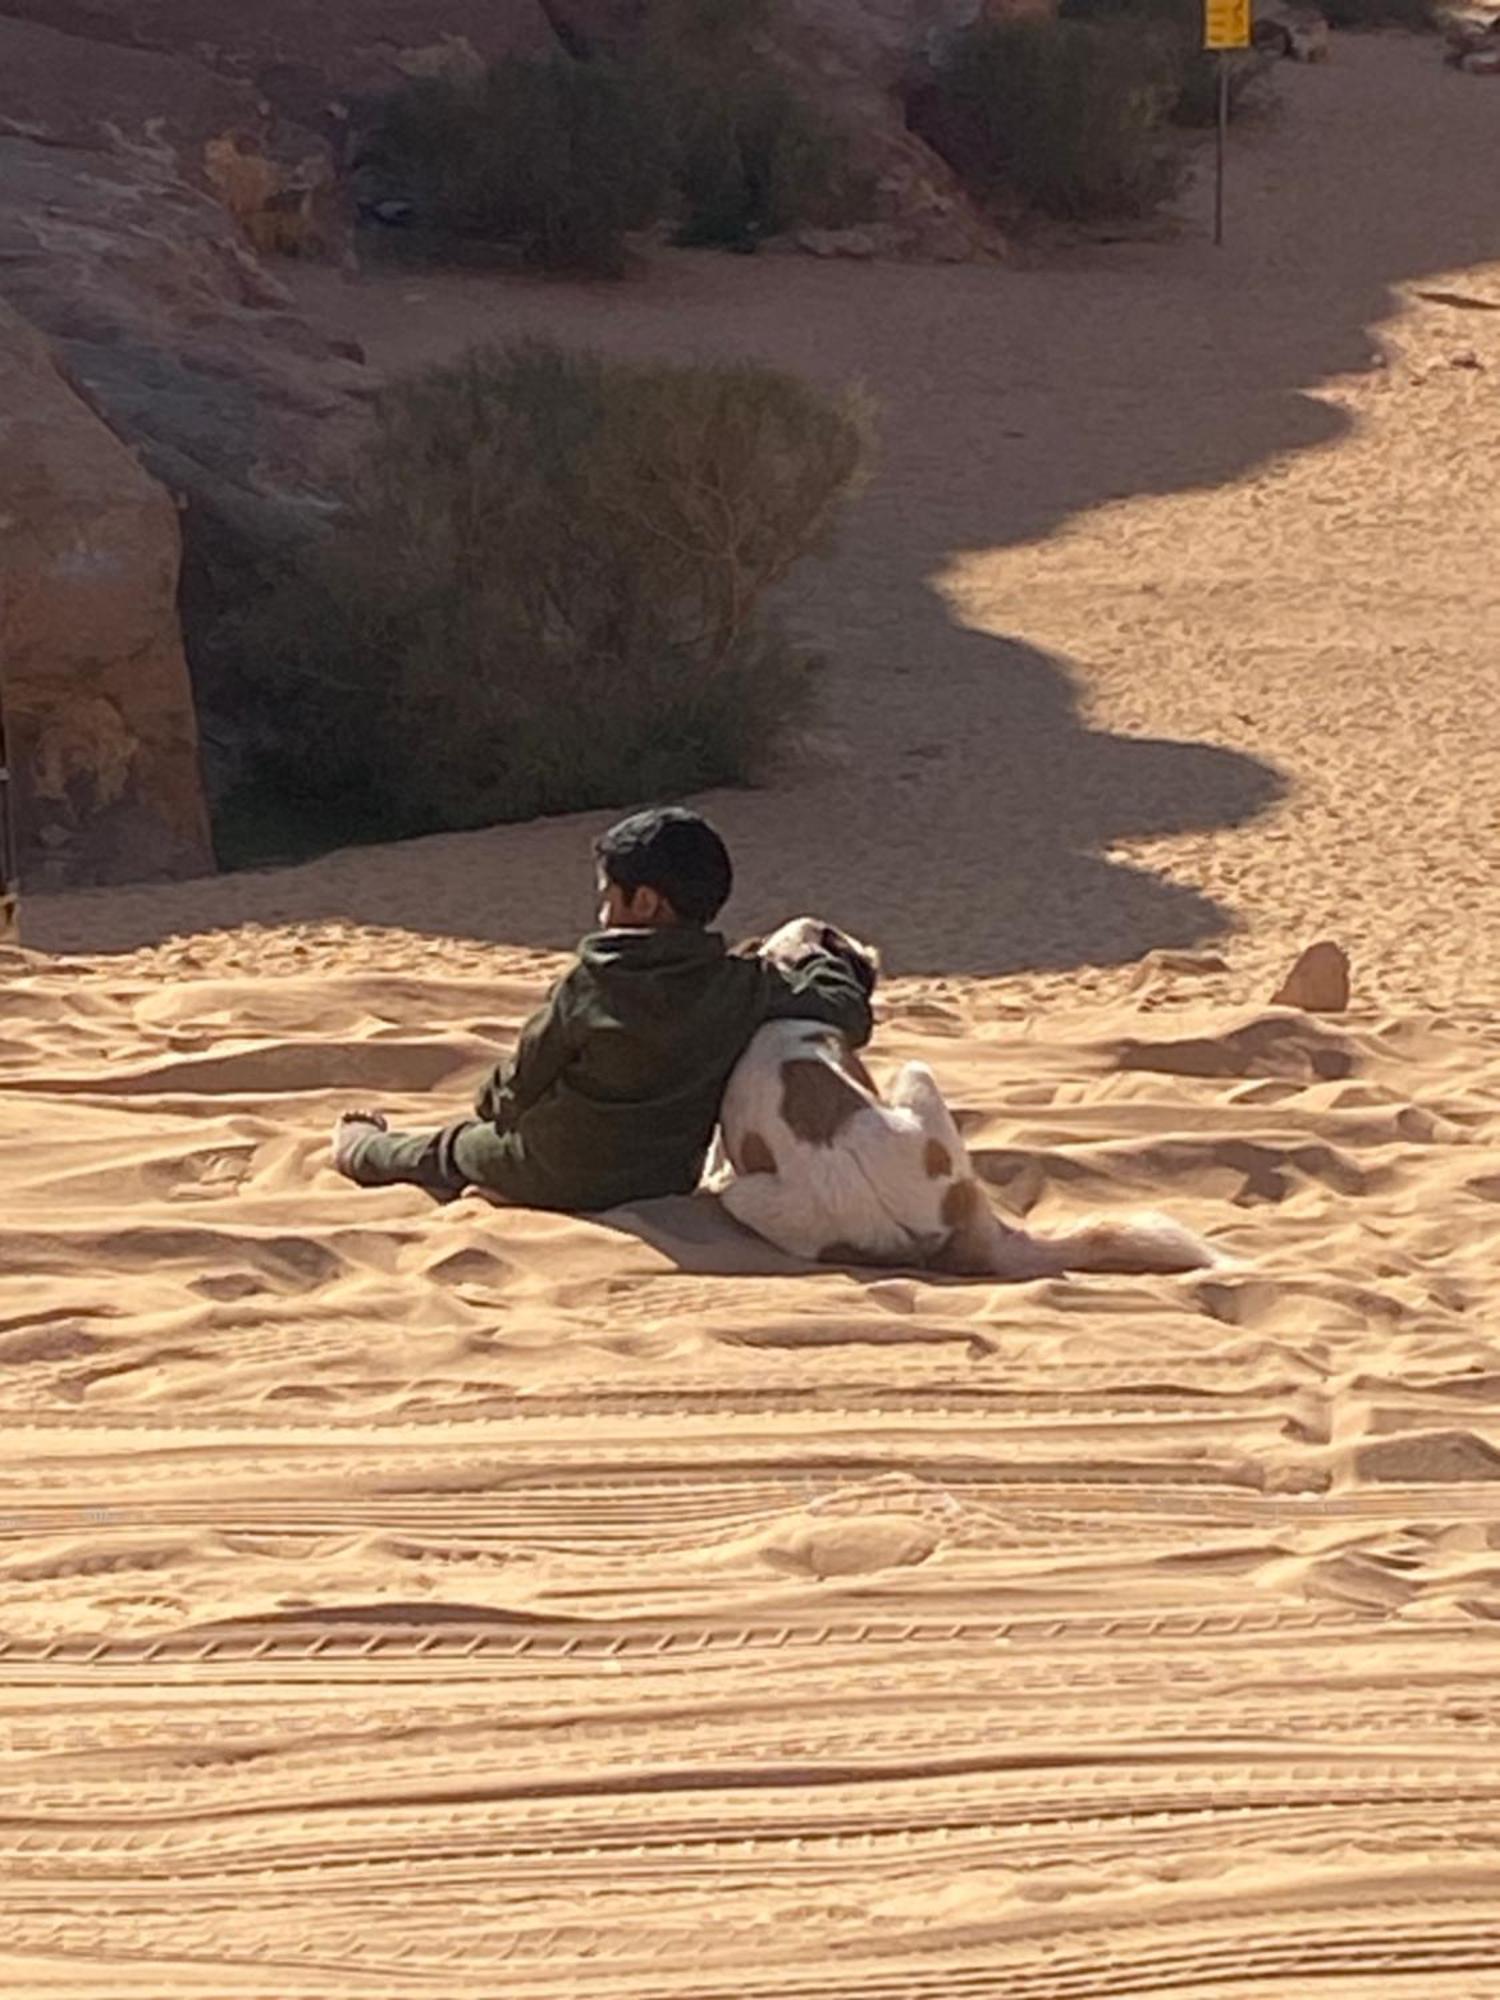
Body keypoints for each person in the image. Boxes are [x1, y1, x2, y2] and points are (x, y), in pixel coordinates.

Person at [330, 806, 874, 1211]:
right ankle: (503, 1190)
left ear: (645, 903)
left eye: (608, 895)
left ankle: (360, 1149)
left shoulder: (590, 984)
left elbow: (518, 1085)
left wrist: (489, 1107)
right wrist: (812, 955)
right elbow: (848, 1010)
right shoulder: (744, 987)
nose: (601, 910)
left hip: (552, 1166)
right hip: (660, 1181)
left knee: (443, 1149)